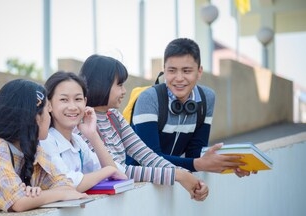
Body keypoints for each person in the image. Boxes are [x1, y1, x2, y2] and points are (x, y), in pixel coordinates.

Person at [78, 54, 209, 201]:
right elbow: (119, 171)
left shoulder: (114, 116)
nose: (124, 91)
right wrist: (177, 175)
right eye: (119, 85)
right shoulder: (83, 123)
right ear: (101, 84)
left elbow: (148, 156)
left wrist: (187, 176)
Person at [0, 79, 88, 212]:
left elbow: (65, 184)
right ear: (36, 118)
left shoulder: (34, 148)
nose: (50, 117)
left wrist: (37, 194)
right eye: (47, 111)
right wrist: (59, 194)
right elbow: (18, 202)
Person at [130, 38, 255, 177]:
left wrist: (232, 165)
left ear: (199, 72)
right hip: (134, 181)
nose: (179, 78)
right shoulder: (148, 98)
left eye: (186, 71)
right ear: (164, 71)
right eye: (172, 71)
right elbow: (149, 159)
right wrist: (198, 164)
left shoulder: (207, 98)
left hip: (169, 180)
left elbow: (195, 153)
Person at [40, 71, 127, 192]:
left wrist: (92, 135)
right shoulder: (45, 141)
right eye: (64, 100)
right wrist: (107, 171)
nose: (73, 107)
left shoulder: (77, 141)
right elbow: (67, 183)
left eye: (78, 99)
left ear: (85, 102)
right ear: (49, 104)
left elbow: (117, 172)